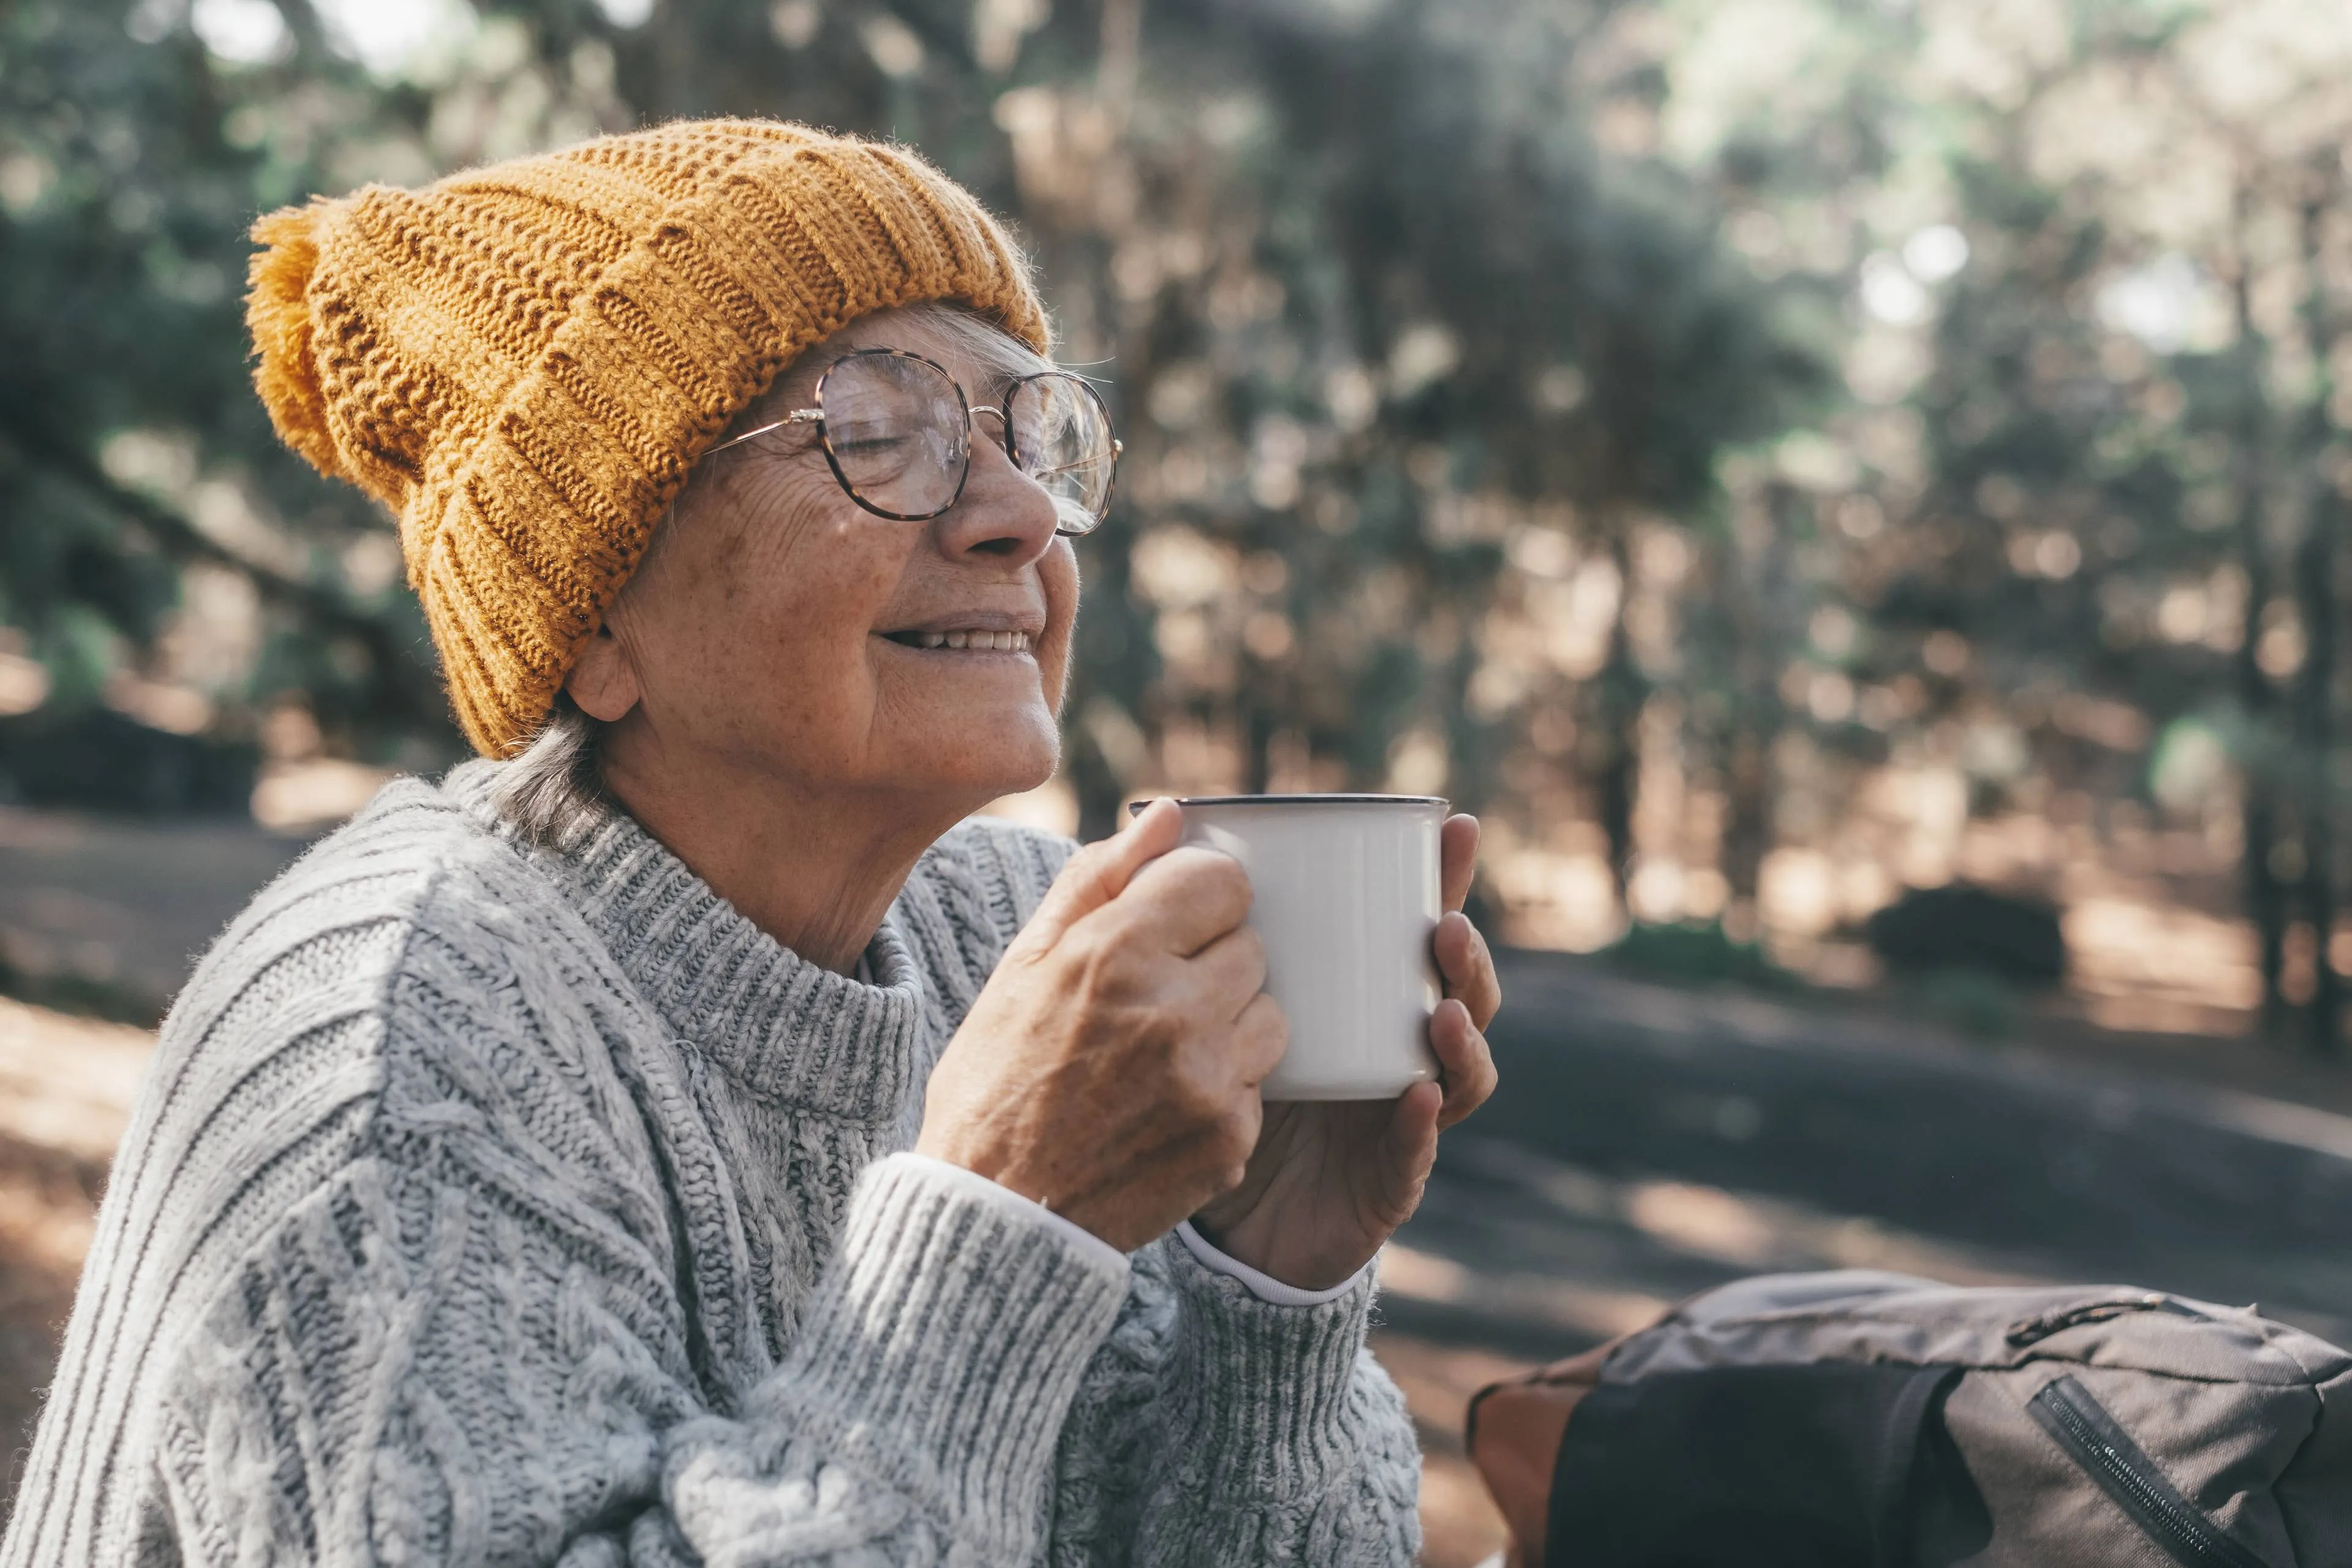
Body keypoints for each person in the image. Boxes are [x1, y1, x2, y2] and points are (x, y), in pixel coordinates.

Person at [0, 119, 1501, 1566]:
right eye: (876, 432)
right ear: (592, 622)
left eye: (1031, 434)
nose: (1019, 521)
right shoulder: (396, 1046)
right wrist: (1000, 1222)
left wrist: (1276, 1282)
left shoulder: (1021, 941)